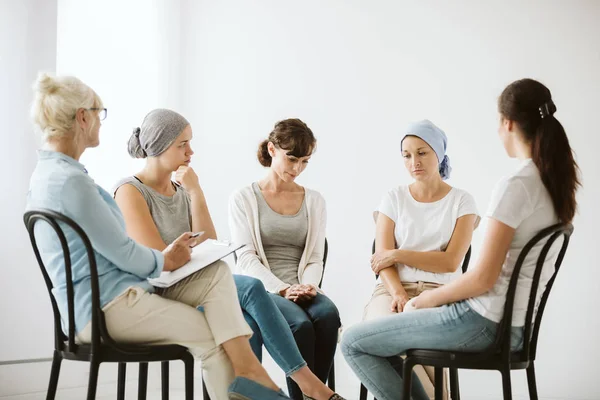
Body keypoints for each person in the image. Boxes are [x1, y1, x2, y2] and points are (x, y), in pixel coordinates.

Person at [26, 73, 291, 400]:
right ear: (82, 117)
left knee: (217, 273)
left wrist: (171, 250)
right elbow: (125, 252)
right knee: (213, 335)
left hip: (106, 300)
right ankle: (253, 377)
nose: (100, 120)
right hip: (107, 308)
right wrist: (166, 259)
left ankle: (252, 374)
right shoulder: (73, 182)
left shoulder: (52, 175)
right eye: (98, 112)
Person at [341, 78, 581, 400]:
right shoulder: (553, 182)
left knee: (352, 342)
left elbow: (482, 278)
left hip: (485, 323)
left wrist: (425, 300)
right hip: (516, 328)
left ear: (507, 123)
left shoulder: (516, 184)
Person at [114, 109, 344, 400]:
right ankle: (307, 386)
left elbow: (208, 245)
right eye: (182, 144)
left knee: (252, 309)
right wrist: (186, 253)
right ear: (159, 145)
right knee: (250, 286)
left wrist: (195, 192)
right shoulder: (129, 190)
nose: (191, 151)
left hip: (197, 285)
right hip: (160, 291)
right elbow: (160, 261)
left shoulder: (182, 189)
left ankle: (270, 389)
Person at [365, 119, 479, 399]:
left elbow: (451, 262)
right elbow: (383, 261)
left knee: (407, 343)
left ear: (438, 154)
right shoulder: (392, 198)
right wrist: (398, 293)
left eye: (422, 152)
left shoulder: (462, 201)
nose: (414, 161)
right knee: (377, 334)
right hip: (390, 291)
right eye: (406, 155)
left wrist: (399, 253)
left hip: (439, 293)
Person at [229, 119, 341, 400]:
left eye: (304, 162)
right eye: (291, 159)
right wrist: (282, 288)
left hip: (303, 286)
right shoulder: (243, 198)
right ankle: (307, 395)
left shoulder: (314, 201)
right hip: (265, 291)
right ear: (272, 149)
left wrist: (307, 287)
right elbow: (245, 257)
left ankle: (317, 396)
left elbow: (316, 256)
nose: (297, 169)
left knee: (328, 315)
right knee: (299, 325)